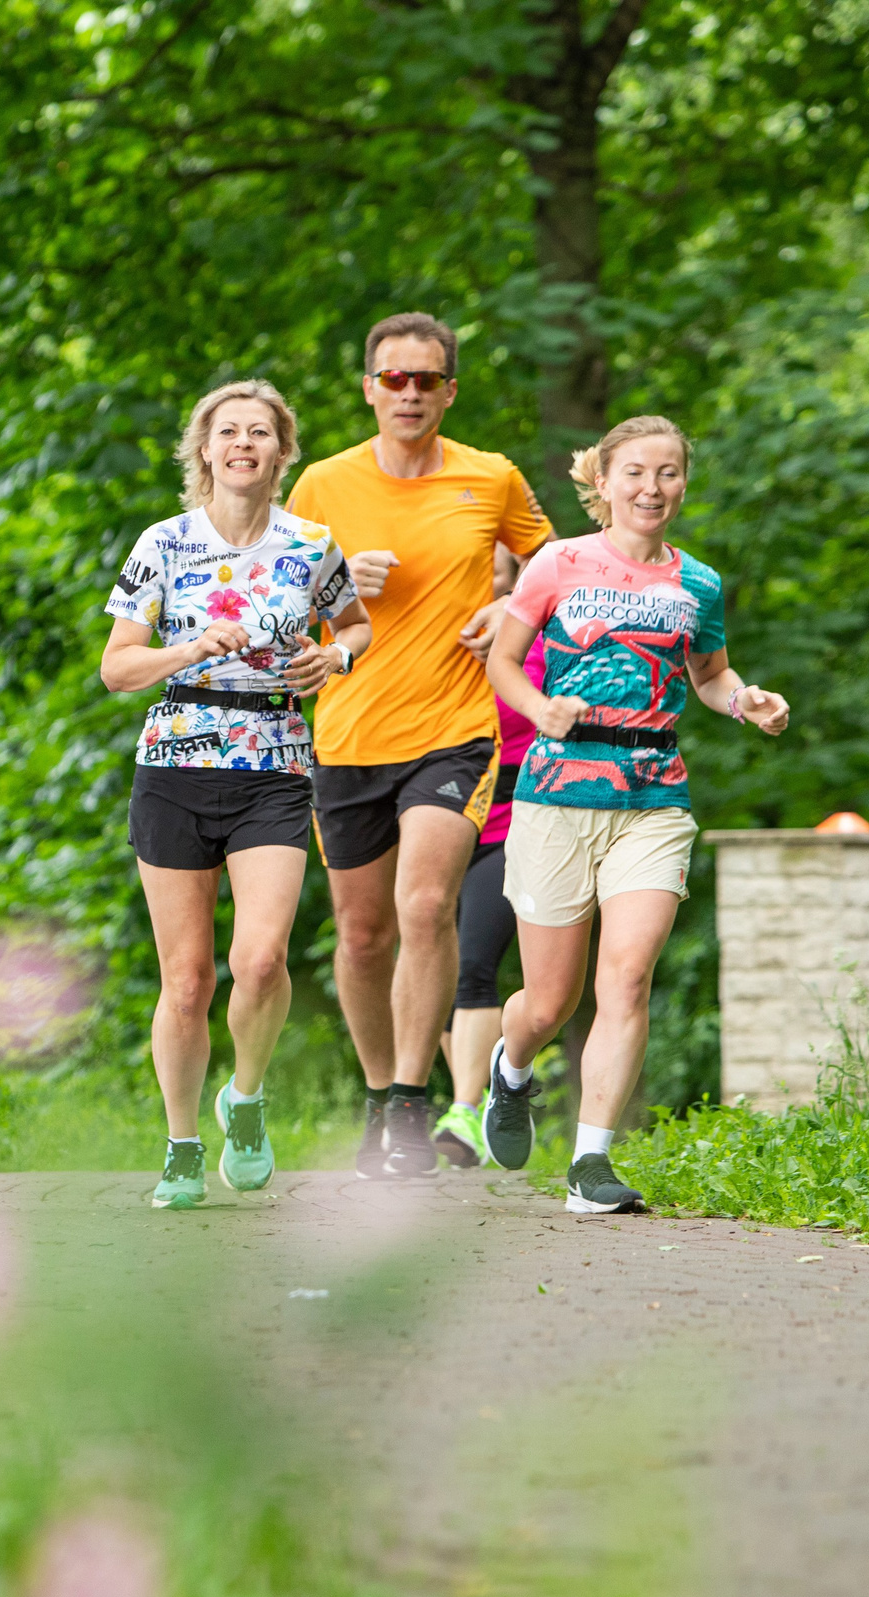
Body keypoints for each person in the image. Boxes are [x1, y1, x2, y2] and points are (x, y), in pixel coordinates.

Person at [478, 416, 790, 1212]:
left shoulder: (700, 584)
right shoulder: (558, 563)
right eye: (637, 473)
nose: (653, 488)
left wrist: (744, 701)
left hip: (653, 792)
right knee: (549, 1002)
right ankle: (510, 1071)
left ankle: (590, 1164)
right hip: (555, 793)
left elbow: (711, 674)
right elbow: (503, 661)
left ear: (684, 482)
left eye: (670, 473)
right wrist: (539, 708)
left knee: (627, 975)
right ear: (604, 481)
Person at [287, 312, 555, 1178]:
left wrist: (506, 611)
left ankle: (413, 1098)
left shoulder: (492, 477)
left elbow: (556, 568)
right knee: (361, 936)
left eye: (426, 380)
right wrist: (335, 590)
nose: (409, 394)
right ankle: (379, 1095)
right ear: (369, 388)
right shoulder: (323, 486)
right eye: (392, 380)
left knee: (424, 905)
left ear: (449, 389)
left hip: (456, 727)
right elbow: (273, 606)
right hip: (351, 730)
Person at [102, 381, 371, 1208]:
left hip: (276, 762)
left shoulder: (311, 544)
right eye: (229, 432)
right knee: (186, 981)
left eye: (261, 433)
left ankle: (245, 1101)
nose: (244, 444)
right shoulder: (165, 543)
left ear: (282, 451)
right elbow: (117, 667)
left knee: (258, 959)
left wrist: (337, 660)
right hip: (177, 763)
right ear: (205, 450)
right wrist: (187, 651)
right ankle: (183, 1144)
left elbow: (355, 625)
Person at [434, 618, 546, 1159]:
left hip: (514, 820)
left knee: (474, 962)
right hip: (438, 814)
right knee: (431, 961)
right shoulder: (435, 635)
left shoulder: (544, 639)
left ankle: (461, 1113)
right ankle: (478, 1106)